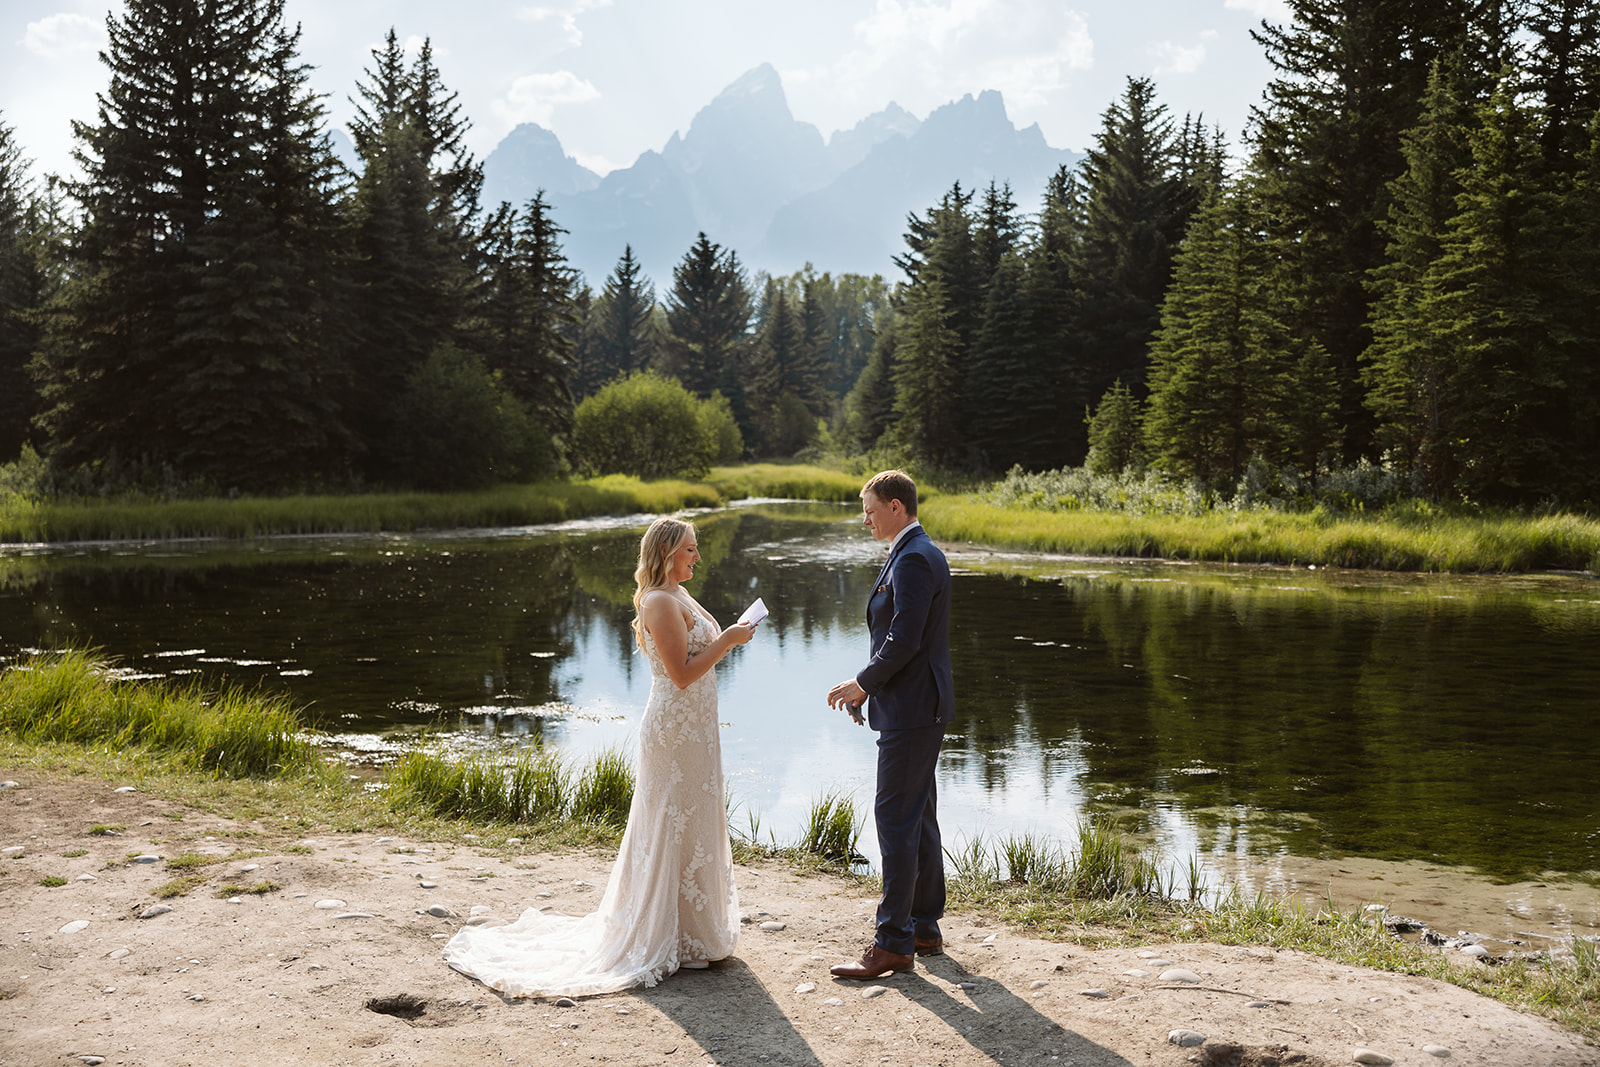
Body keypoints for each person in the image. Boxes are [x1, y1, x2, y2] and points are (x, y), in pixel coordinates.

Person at [444, 517, 757, 997]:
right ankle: (667, 936)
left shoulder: (680, 594)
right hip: (673, 729)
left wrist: (727, 638)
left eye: (696, 548)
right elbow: (680, 673)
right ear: (667, 551)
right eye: (691, 549)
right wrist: (728, 641)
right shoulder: (657, 600)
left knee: (695, 818)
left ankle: (697, 934)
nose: (698, 556)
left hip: (696, 730)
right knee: (669, 820)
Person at [826, 469, 954, 979]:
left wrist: (863, 683)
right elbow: (899, 640)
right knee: (917, 815)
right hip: (913, 705)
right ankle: (923, 926)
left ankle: (894, 942)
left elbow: (905, 639)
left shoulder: (917, 557)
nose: (866, 519)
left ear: (897, 507)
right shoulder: (912, 553)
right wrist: (868, 688)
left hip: (914, 709)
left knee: (895, 819)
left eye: (871, 510)